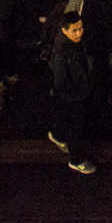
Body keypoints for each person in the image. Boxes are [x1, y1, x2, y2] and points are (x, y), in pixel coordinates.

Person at [47, 11, 98, 173]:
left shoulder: (73, 45)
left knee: (70, 125)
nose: (79, 33)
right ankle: (77, 161)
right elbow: (61, 81)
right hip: (72, 97)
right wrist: (78, 93)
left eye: (81, 28)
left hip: (75, 94)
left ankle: (58, 135)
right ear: (64, 30)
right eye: (74, 30)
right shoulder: (61, 53)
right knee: (76, 130)